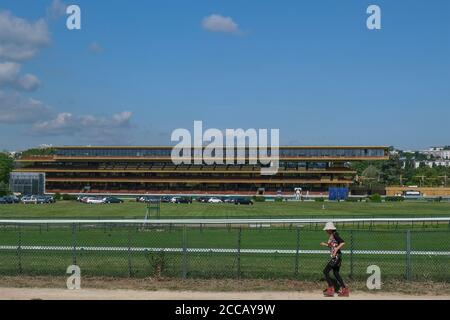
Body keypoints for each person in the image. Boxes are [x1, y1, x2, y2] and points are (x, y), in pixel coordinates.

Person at [320, 222, 350, 297]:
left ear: (330, 229)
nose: (326, 231)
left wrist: (336, 250)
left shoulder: (335, 235)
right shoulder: (332, 235)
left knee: (325, 271)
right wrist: (325, 244)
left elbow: (342, 242)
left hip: (336, 257)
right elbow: (333, 245)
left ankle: (331, 289)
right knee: (336, 273)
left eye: (327, 229)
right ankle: (344, 290)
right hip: (337, 257)